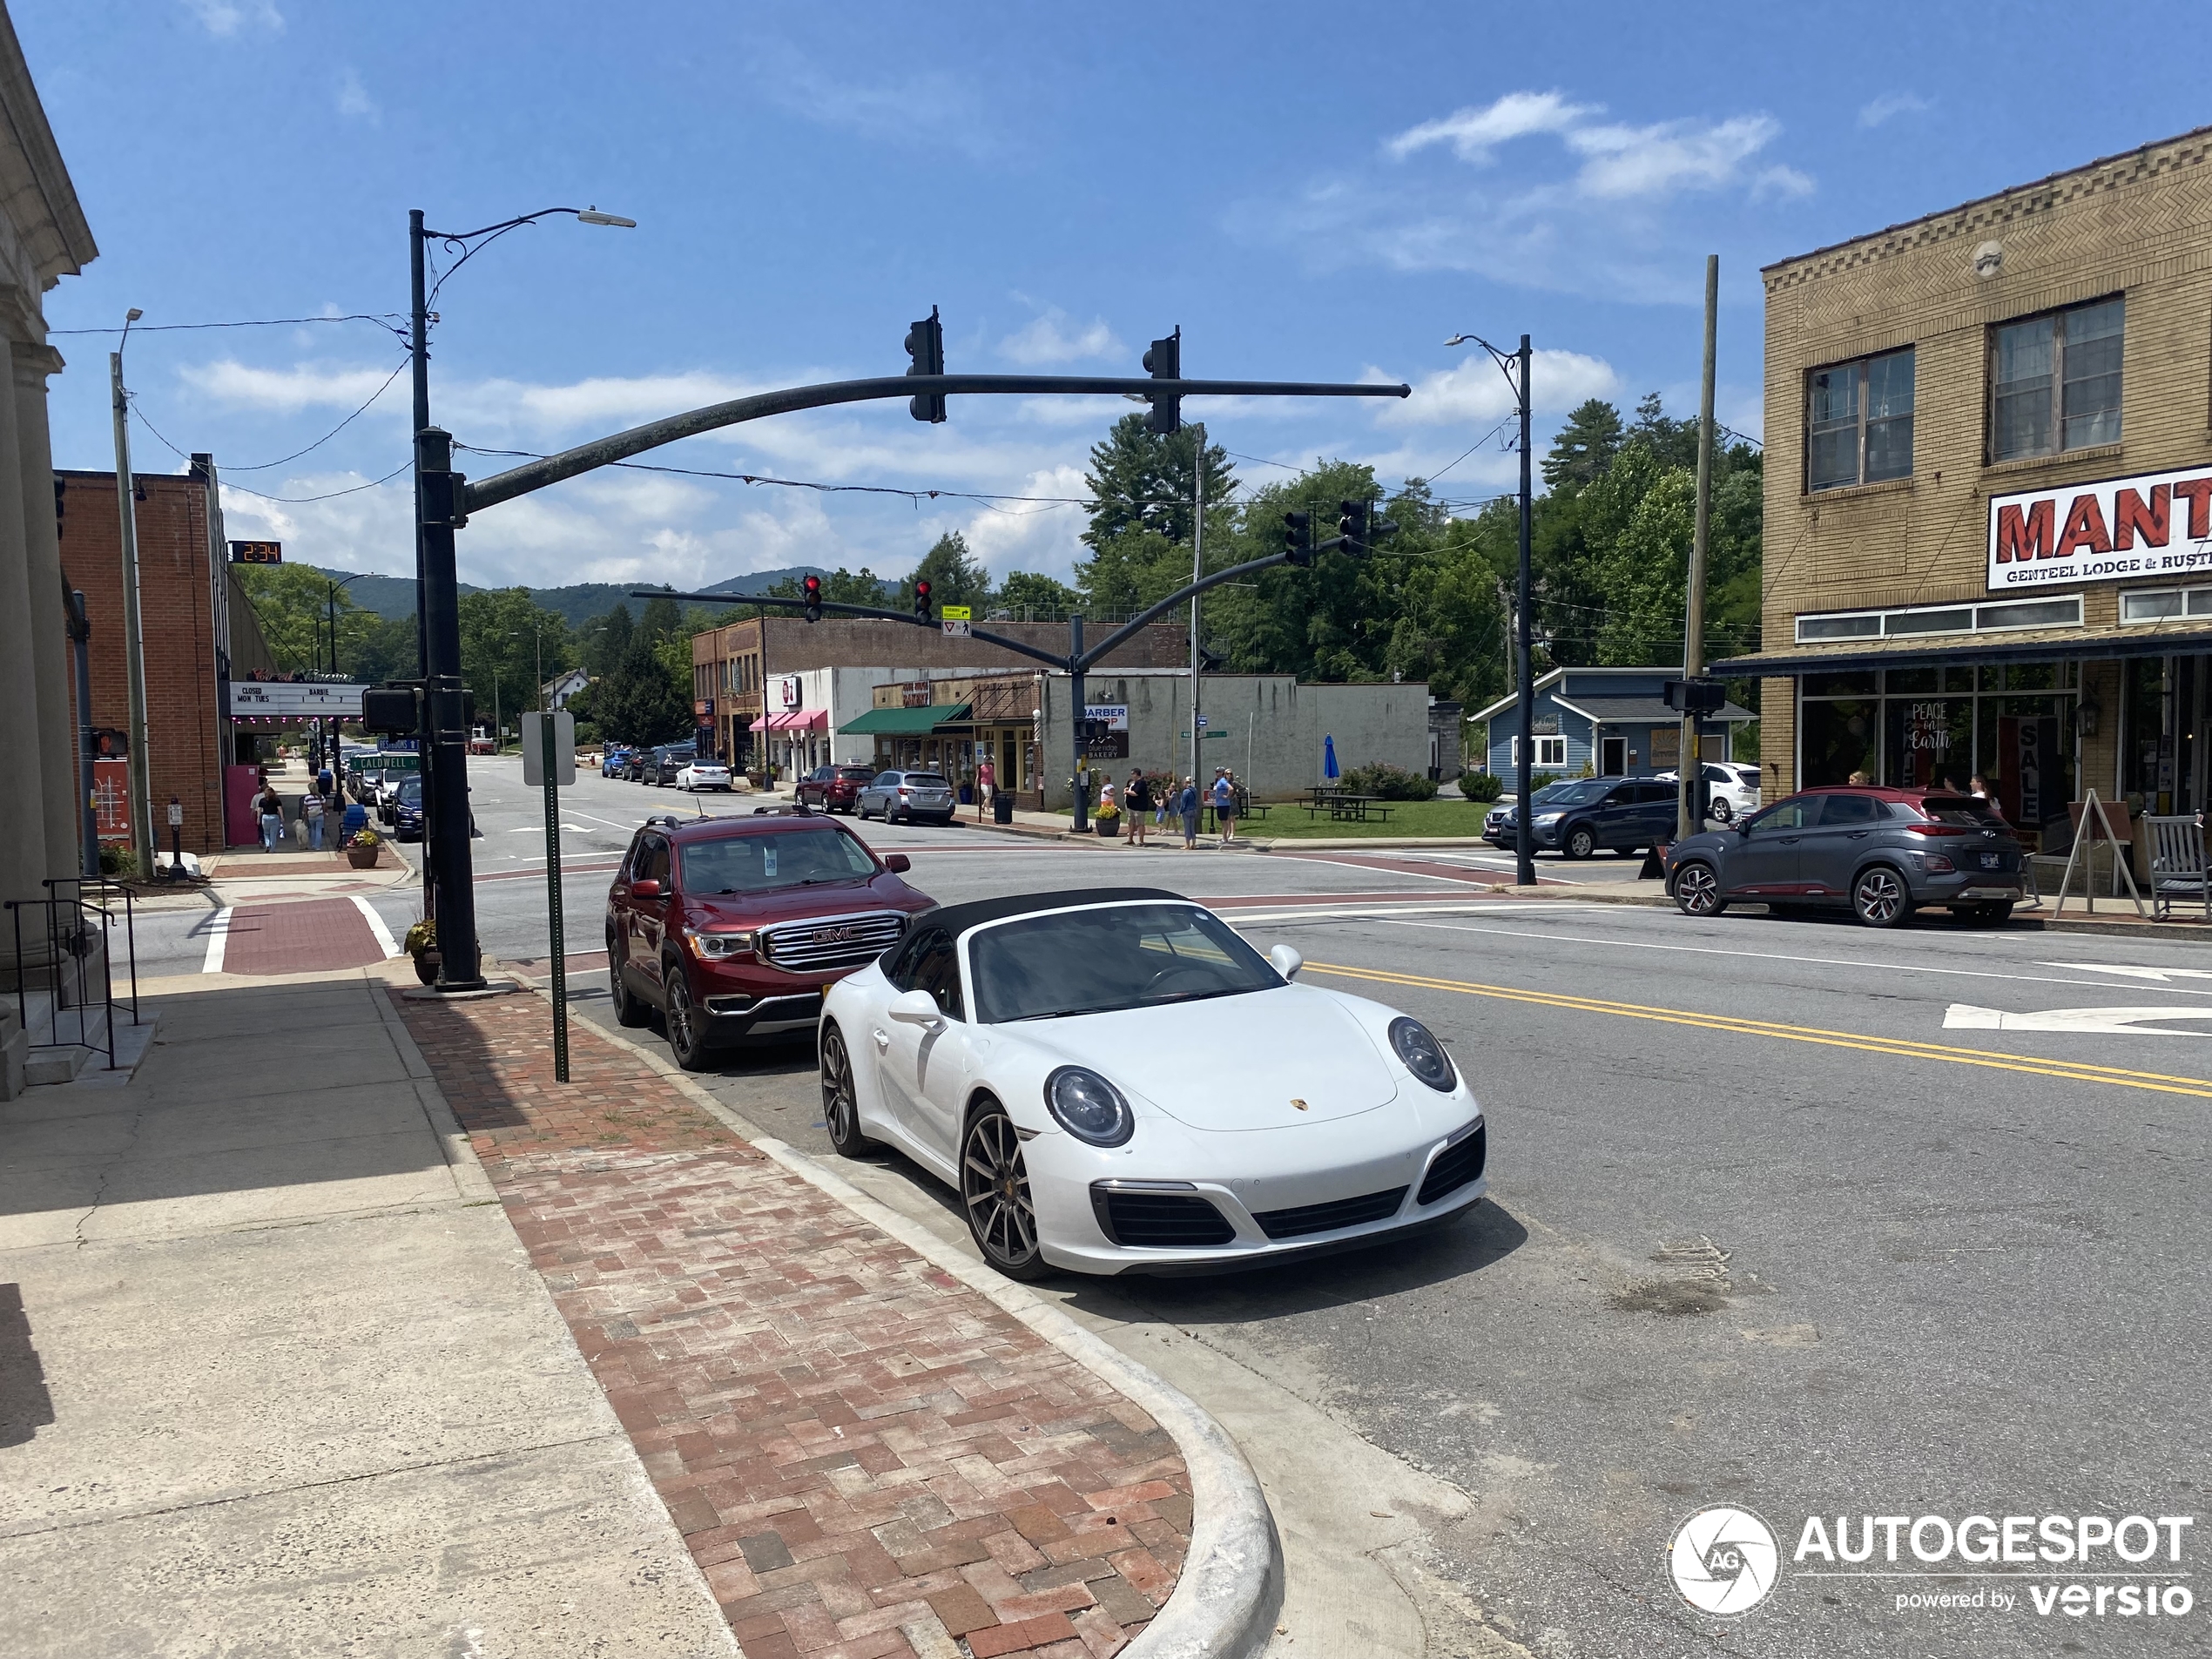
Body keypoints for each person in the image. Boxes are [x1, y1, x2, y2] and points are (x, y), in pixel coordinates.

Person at [1125, 768, 1152, 846]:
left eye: (1133, 774)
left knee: (1140, 824)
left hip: (1139, 808)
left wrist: (1127, 792)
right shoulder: (1135, 783)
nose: (1132, 775)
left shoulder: (1141, 783)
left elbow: (1135, 793)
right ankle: (1130, 839)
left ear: (1136, 774)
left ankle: (1141, 841)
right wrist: (1128, 789)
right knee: (1130, 823)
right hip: (1131, 807)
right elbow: (1132, 790)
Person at [1211, 768, 1237, 846]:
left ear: (1222, 773)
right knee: (1223, 821)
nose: (1217, 773)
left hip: (1223, 804)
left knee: (1224, 822)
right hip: (1220, 804)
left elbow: (1231, 789)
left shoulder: (1222, 780)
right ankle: (1224, 837)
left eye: (1218, 772)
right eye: (1216, 771)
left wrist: (1227, 796)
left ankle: (1224, 838)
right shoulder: (1219, 781)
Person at [258, 785, 285, 852]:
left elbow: (259, 810)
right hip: (274, 817)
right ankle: (272, 849)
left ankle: (267, 845)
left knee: (266, 833)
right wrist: (282, 817)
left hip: (265, 817)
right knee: (273, 834)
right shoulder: (277, 800)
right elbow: (280, 809)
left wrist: (258, 818)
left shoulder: (262, 800)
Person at [1177, 776, 1199, 849]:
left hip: (1187, 811)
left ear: (1186, 783)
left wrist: (1180, 812)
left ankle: (1187, 845)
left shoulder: (1185, 792)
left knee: (1187, 828)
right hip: (1193, 810)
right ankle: (1194, 844)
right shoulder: (1195, 790)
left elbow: (1183, 803)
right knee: (1192, 827)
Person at [302, 785, 326, 851]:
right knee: (319, 830)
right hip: (320, 815)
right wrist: (325, 812)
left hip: (311, 816)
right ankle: (317, 845)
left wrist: (304, 813)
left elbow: (305, 807)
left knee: (313, 829)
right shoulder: (321, 796)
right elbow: (324, 805)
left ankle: (313, 844)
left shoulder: (307, 798)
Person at [975, 754, 995, 821]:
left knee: (989, 797)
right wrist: (976, 784)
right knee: (987, 796)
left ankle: (982, 807)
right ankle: (988, 809)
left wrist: (994, 780)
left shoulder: (991, 767)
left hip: (990, 783)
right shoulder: (981, 768)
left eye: (988, 760)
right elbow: (978, 776)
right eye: (986, 760)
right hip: (983, 783)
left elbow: (993, 774)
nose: (987, 761)